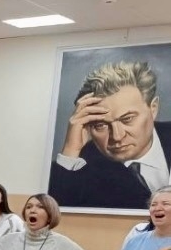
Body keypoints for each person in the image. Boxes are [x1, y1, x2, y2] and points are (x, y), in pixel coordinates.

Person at [49, 60, 170, 210]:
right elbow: (55, 212)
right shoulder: (81, 166)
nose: (117, 136)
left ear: (153, 108)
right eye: (100, 125)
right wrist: (70, 150)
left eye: (127, 119)